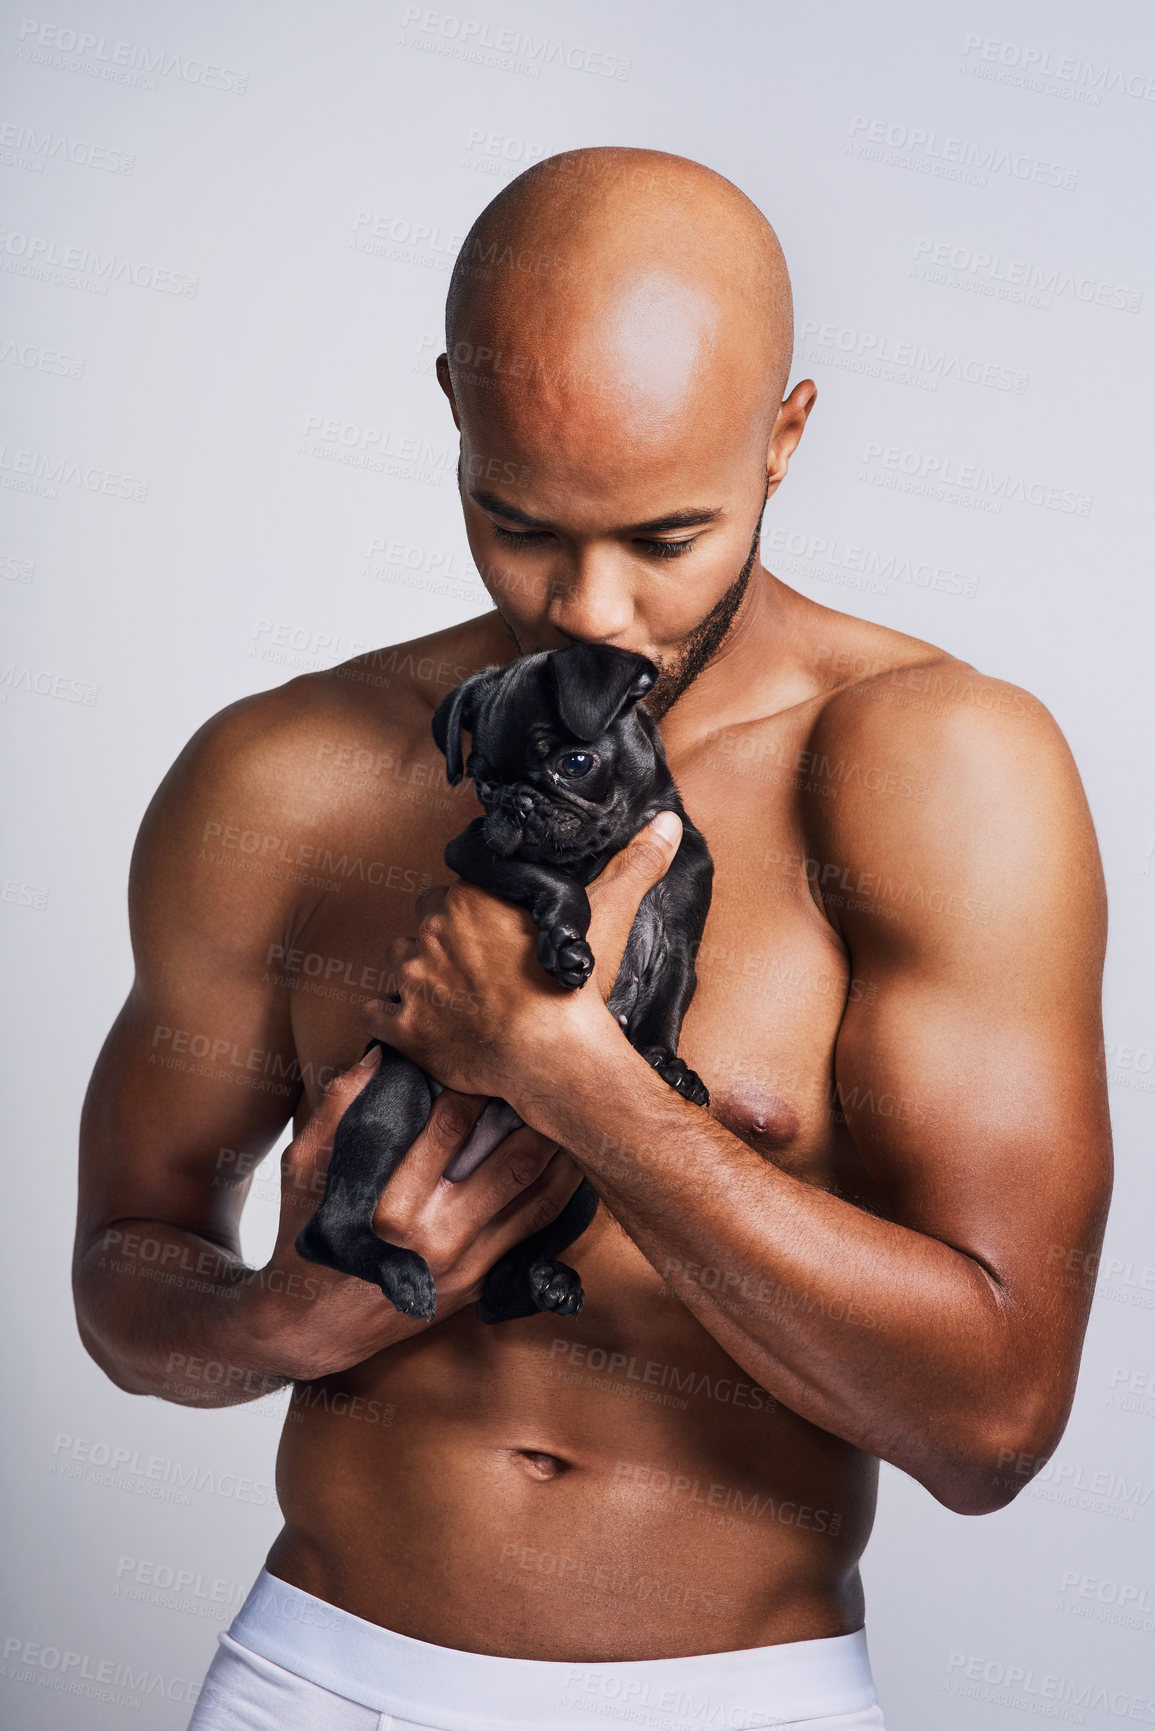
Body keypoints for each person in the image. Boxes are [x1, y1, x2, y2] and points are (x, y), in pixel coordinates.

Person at [73, 148, 1112, 1731]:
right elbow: (124, 1274)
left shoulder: (932, 772)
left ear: (786, 435)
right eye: (521, 525)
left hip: (736, 1695)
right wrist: (284, 1316)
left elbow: (993, 1427)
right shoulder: (280, 777)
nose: (590, 611)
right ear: (453, 412)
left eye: (666, 538)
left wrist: (576, 1083)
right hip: (311, 1678)